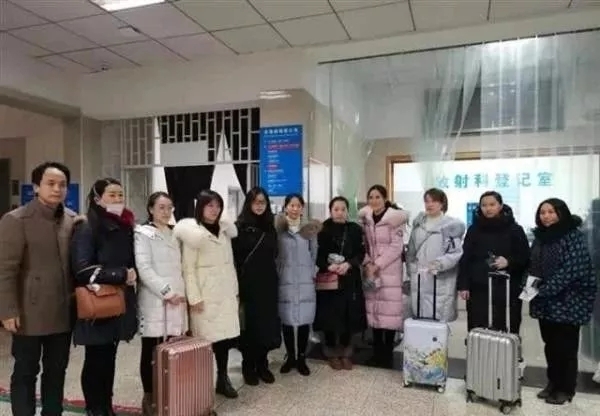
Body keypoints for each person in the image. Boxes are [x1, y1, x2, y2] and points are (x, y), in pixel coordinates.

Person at [0, 162, 77, 416]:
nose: (57, 189)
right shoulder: (16, 220)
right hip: (28, 312)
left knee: (57, 371)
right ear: (36, 187)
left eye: (62, 185)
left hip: (63, 311)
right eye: (50, 183)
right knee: (26, 371)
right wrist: (7, 310)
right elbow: (5, 270)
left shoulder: (72, 220)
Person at [70, 178, 139, 416]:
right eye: (112, 195)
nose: (118, 199)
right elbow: (81, 269)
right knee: (96, 359)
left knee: (109, 358)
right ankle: (94, 407)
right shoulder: (88, 226)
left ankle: (106, 406)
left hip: (118, 302)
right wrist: (121, 274)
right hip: (98, 303)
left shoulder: (125, 226)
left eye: (120, 194)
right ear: (98, 198)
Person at [528, 198, 596, 405]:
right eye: (542, 212)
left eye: (551, 212)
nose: (546, 216)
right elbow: (533, 265)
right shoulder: (540, 237)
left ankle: (566, 389)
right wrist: (529, 285)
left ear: (561, 213)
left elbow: (573, 269)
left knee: (566, 347)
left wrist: (546, 289)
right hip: (545, 302)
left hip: (569, 301)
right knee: (551, 345)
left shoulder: (573, 236)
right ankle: (553, 382)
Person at [173, 190, 240, 399]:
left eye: (218, 206)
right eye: (210, 205)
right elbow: (188, 269)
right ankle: (202, 385)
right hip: (206, 297)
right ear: (200, 207)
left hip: (225, 293)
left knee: (224, 340)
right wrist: (194, 298)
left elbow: (231, 265)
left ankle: (223, 378)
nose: (214, 210)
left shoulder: (224, 231)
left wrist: (235, 291)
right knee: (205, 343)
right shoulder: (194, 235)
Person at [134, 192, 187, 415]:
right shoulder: (143, 233)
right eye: (161, 207)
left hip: (177, 300)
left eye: (169, 208)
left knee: (172, 350)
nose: (166, 212)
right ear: (151, 209)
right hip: (155, 301)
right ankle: (150, 398)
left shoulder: (175, 234)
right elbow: (144, 268)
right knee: (151, 351)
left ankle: (169, 395)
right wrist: (166, 291)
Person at [457, 191, 530, 335]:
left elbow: (525, 256)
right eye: (484, 205)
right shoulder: (474, 229)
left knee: (506, 326)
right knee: (478, 326)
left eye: (492, 204)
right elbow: (465, 258)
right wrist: (463, 285)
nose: (488, 208)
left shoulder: (514, 229)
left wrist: (509, 261)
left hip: (507, 287)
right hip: (479, 288)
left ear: (500, 206)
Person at [232, 187, 281, 386]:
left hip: (268, 283)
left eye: (263, 202)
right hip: (248, 284)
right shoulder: (239, 227)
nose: (259, 206)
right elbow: (235, 258)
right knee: (249, 326)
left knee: (266, 325)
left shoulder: (270, 227)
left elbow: (275, 253)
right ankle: (248, 365)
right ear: (248, 204)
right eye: (255, 202)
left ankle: (262, 364)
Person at [314, 196, 367, 370]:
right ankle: (331, 352)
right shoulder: (322, 230)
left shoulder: (355, 229)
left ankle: (346, 352)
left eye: (343, 209)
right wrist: (328, 266)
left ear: (347, 211)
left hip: (349, 278)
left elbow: (361, 253)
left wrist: (348, 264)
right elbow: (317, 254)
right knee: (329, 316)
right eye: (336, 209)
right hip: (328, 279)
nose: (339, 212)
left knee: (348, 316)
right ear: (330, 211)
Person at [359, 184, 409, 367]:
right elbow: (362, 244)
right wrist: (367, 263)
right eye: (371, 197)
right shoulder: (366, 219)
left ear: (385, 198)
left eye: (377, 197)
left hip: (389, 271)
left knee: (389, 314)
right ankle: (377, 354)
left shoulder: (394, 219)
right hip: (371, 271)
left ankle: (387, 355)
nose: (374, 201)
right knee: (375, 312)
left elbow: (396, 247)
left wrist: (377, 264)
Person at [275, 193, 321, 376]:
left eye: (298, 206)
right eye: (291, 205)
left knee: (303, 320)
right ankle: (290, 357)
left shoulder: (309, 229)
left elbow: (314, 252)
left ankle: (301, 358)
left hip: (304, 280)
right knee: (286, 319)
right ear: (286, 207)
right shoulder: (279, 228)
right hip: (285, 279)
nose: (295, 209)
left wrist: (311, 272)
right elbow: (275, 254)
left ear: (303, 208)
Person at [406, 188, 465, 322]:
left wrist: (439, 264)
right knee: (420, 317)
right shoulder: (418, 225)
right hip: (420, 277)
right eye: (427, 201)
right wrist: (411, 269)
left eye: (434, 201)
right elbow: (411, 251)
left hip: (440, 278)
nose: (429, 204)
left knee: (437, 319)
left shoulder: (450, 226)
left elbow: (455, 253)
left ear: (442, 203)